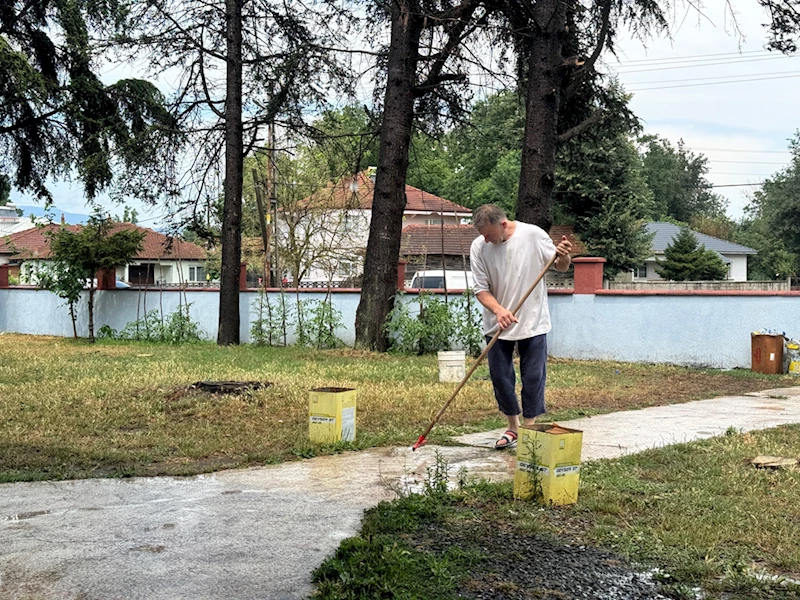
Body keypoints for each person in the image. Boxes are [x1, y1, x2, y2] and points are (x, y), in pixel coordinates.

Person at [469, 204, 572, 449]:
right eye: (482, 234)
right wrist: (500, 310)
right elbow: (481, 290)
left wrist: (564, 255)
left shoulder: (533, 235)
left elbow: (561, 266)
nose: (486, 239)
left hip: (533, 320)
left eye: (489, 234)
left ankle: (529, 427)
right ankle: (512, 427)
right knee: (500, 377)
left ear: (503, 224)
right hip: (497, 323)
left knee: (533, 376)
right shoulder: (479, 247)